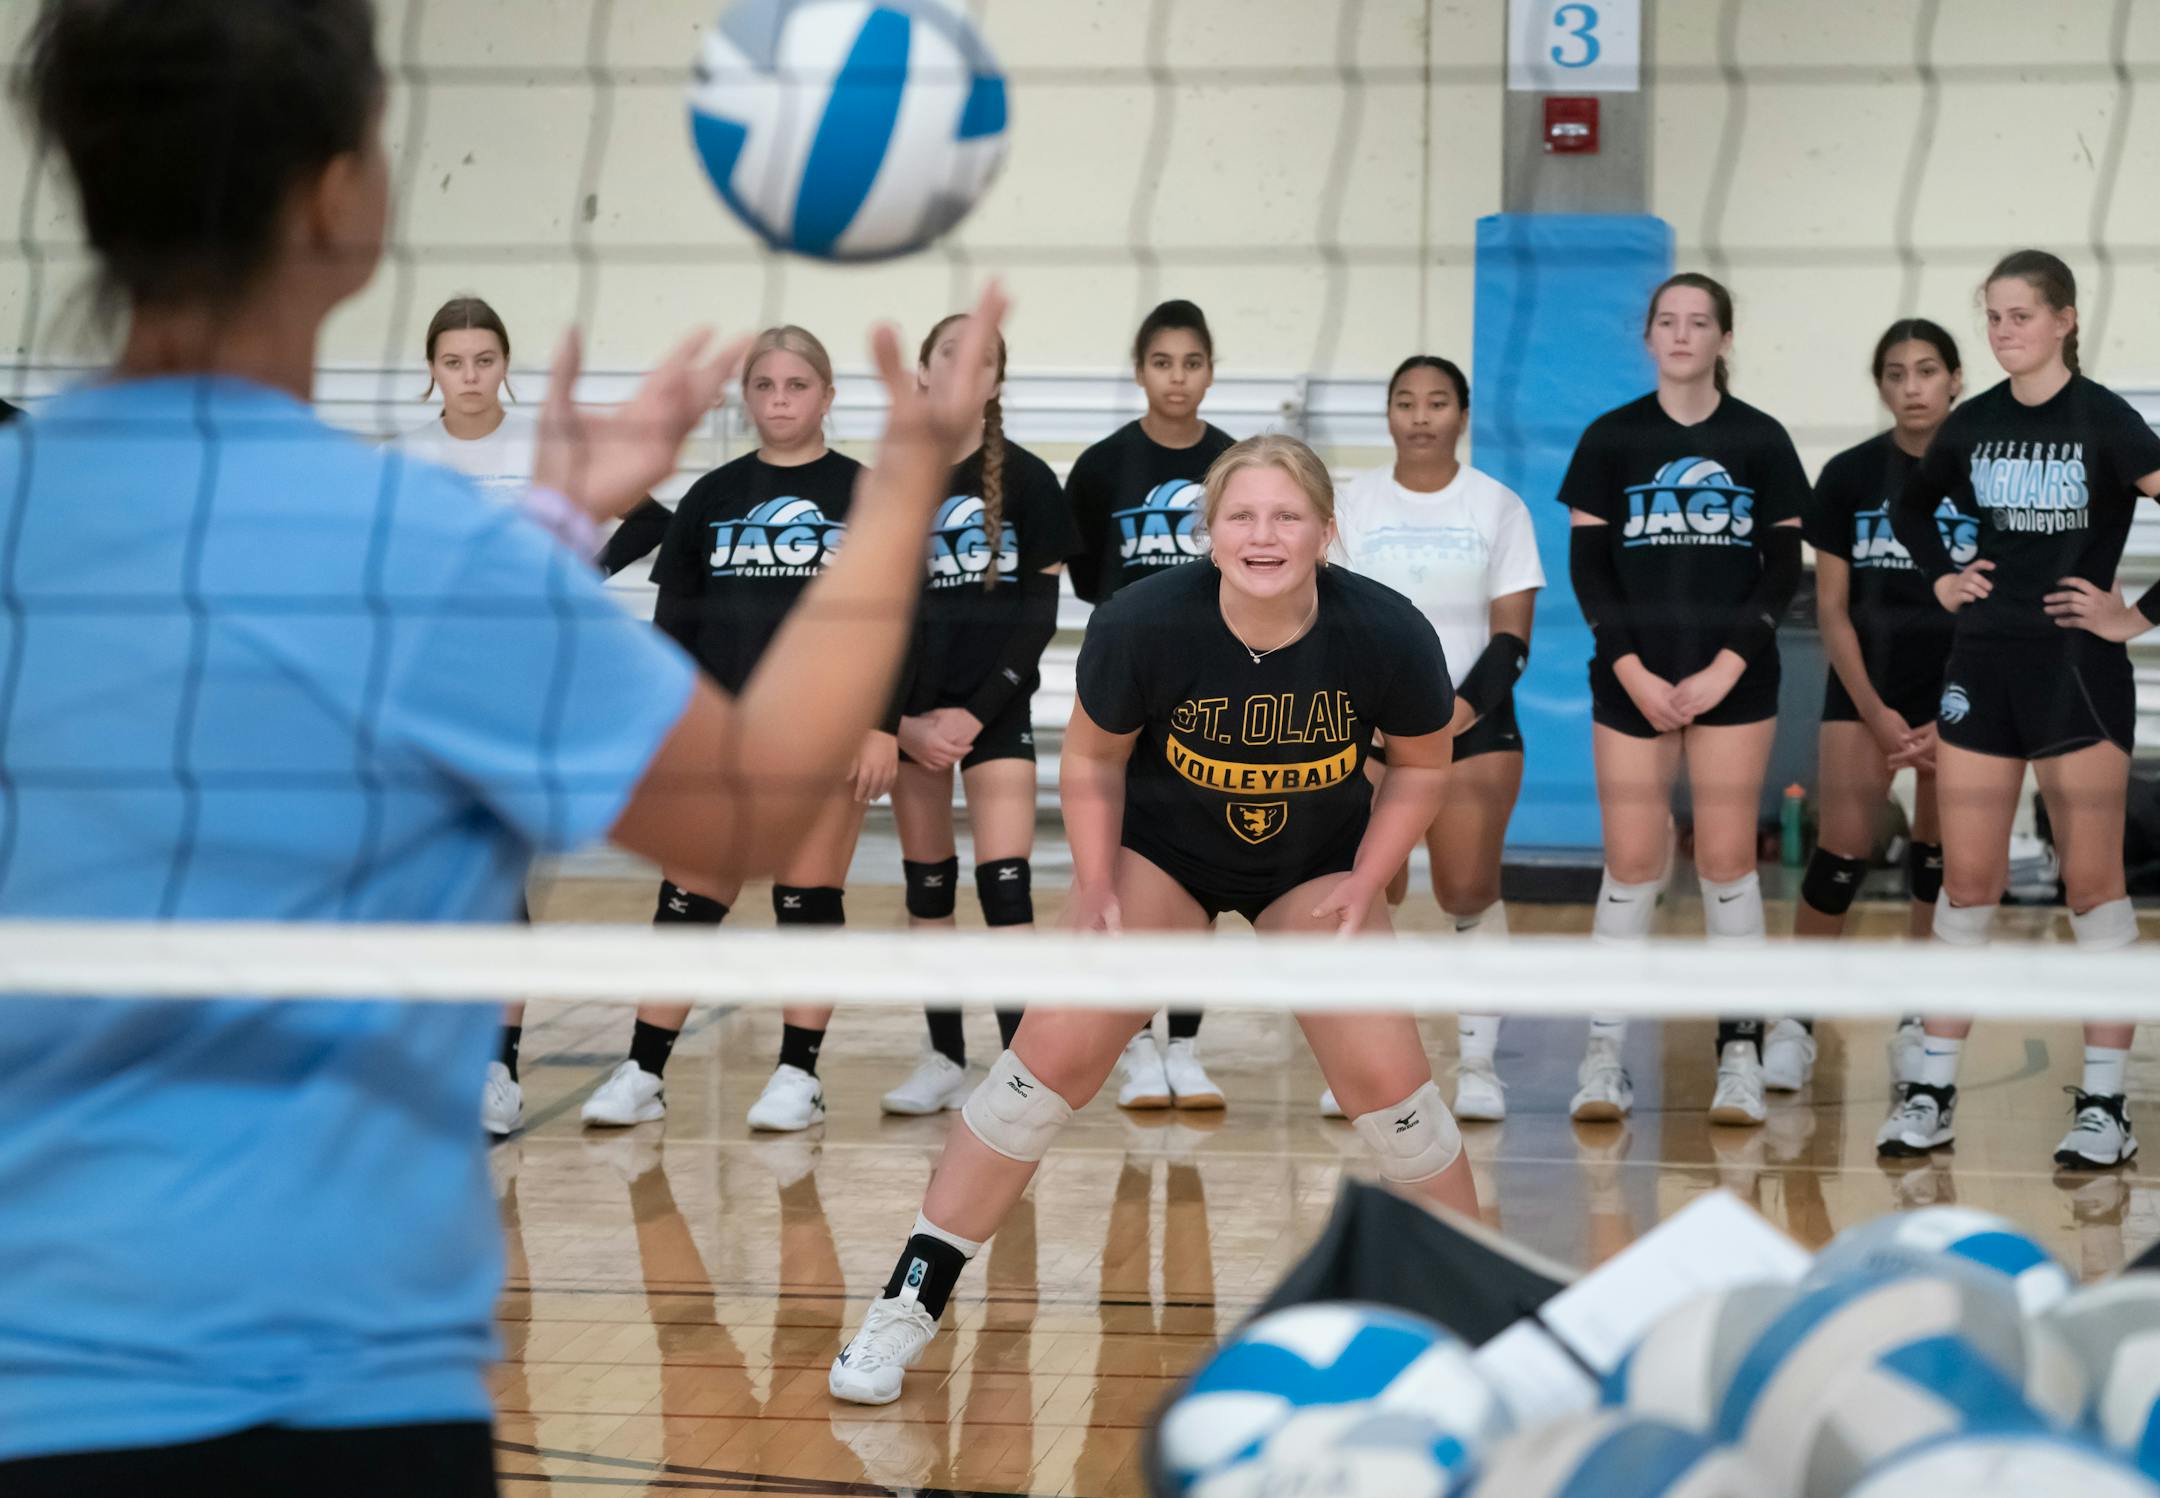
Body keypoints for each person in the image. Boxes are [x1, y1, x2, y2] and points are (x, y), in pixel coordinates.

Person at [0, 3, 1001, 1487]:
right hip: (330, 1396)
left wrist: (544, 529)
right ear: (346, 195)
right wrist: (909, 482)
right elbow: (738, 811)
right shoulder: (415, 557)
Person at [828, 434, 1481, 1407]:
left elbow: (1424, 764)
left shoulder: (1385, 630)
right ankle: (908, 1300)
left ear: (1325, 531)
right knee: (1044, 1063)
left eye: (1287, 516)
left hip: (1313, 865)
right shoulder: (1144, 622)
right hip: (1164, 854)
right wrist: (1094, 884)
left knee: (1393, 1087)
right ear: (1209, 531)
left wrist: (1370, 879)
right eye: (1242, 516)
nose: (1264, 535)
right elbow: (1091, 761)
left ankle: (1479, 1324)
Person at [1879, 249, 2159, 1169]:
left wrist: (2135, 615)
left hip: (2077, 672)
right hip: (1981, 668)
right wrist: (1944, 577)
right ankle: (1930, 1091)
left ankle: (2107, 1110)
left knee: (2091, 885)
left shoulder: (2108, 422)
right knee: (1966, 884)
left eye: (2021, 317)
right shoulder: (1973, 423)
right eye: (1993, 318)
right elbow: (1914, 509)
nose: (2004, 333)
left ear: (2065, 320)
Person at [580, 325, 896, 1133]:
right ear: (746, 397)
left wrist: (879, 724)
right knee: (688, 894)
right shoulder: (711, 500)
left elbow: (900, 620)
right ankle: (643, 1070)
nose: (780, 400)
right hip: (721, 733)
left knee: (807, 894)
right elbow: (673, 627)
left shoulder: (866, 494)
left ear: (827, 396)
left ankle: (800, 1074)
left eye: (797, 385)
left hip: (825, 729)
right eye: (765, 386)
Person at [1559, 272, 1809, 1128]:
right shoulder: (1611, 438)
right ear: (1650, 337)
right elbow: (1588, 568)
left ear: (1723, 340)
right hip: (1633, 677)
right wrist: (1629, 667)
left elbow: (1783, 568)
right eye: (1666, 321)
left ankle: (1738, 1054)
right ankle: (1603, 1056)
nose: (1681, 335)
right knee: (1632, 864)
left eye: (1699, 322)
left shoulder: (1762, 441)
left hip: (1732, 680)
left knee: (1728, 863)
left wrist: (1725, 669)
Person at [1329, 355, 1544, 1123]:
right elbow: (1333, 622)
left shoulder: (1497, 506)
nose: (1421, 415)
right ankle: (1360, 1064)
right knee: (1362, 889)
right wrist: (1379, 728)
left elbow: (1512, 643)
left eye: (1438, 402)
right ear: (1387, 414)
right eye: (1405, 402)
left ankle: (1479, 1065)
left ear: (1462, 414)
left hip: (1472, 729)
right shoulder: (1349, 504)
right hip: (1366, 734)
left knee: (1465, 891)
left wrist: (1443, 720)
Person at [880, 315, 1081, 1117]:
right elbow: (872, 619)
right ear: (924, 373)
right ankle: (941, 1058)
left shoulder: (1029, 480)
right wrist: (906, 724)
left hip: (994, 711)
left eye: (984, 362)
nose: (966, 374)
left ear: (997, 381)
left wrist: (978, 709)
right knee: (929, 888)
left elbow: (1038, 618)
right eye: (949, 359)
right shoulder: (892, 480)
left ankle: (1020, 1072)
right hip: (912, 719)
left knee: (1007, 888)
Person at [1066, 298, 1236, 1112]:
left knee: (1202, 870)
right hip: (1131, 696)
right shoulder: (1101, 467)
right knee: (1134, 872)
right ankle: (1138, 1046)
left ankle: (1188, 1045)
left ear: (1210, 370)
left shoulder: (1237, 463)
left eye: (1192, 362)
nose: (1178, 378)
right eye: (1163, 362)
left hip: (1217, 690)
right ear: (1141, 370)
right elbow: (1088, 584)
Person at [1797, 319, 1968, 1090]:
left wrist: (1950, 710)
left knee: (1939, 862)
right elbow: (1831, 609)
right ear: (1880, 387)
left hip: (1962, 693)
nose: (1912, 387)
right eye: (1896, 374)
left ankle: (1918, 1019)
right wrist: (1875, 711)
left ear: (1955, 379)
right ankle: (1795, 1020)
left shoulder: (1982, 472)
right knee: (1841, 854)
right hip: (1865, 690)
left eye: (1927, 371)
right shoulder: (1848, 475)